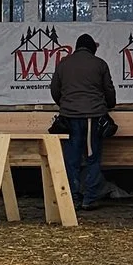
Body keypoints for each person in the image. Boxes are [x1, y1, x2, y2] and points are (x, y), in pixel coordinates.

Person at [49, 33, 120, 209]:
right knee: (92, 158)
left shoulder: (63, 64)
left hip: (69, 117)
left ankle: (71, 199)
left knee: (71, 158)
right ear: (92, 49)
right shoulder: (100, 64)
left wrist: (65, 105)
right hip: (92, 116)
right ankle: (89, 199)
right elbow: (108, 90)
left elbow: (55, 90)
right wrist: (109, 105)